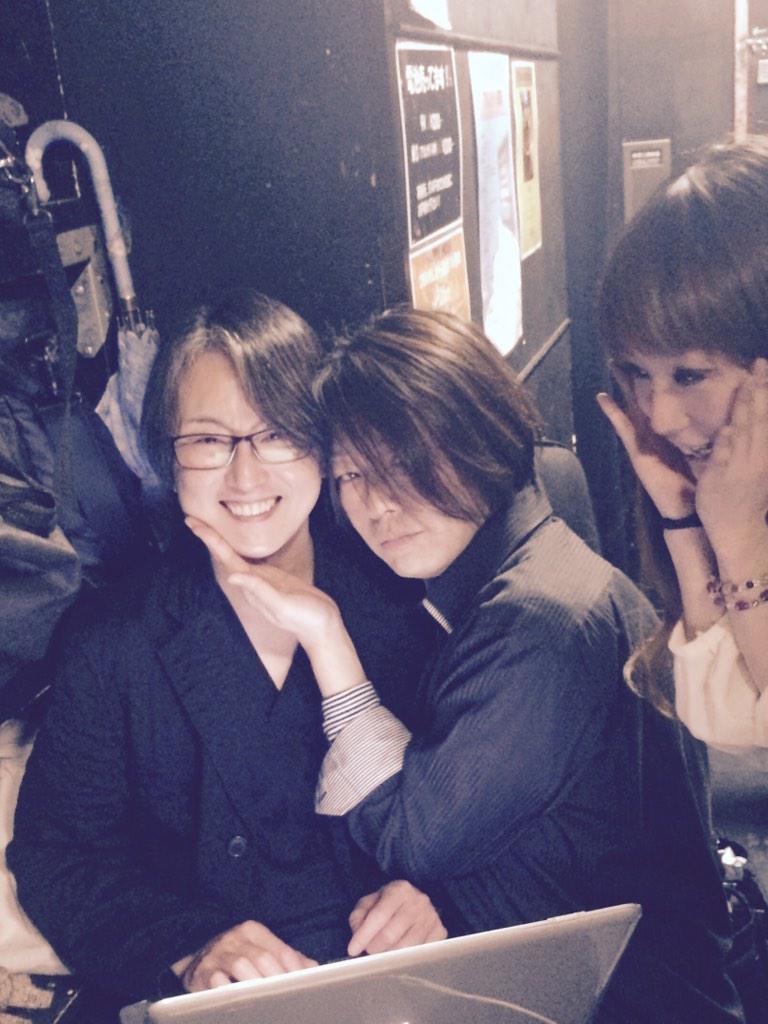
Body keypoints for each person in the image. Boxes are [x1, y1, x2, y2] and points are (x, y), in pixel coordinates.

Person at [190, 306, 744, 1023]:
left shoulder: (539, 617)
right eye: (353, 474)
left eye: (406, 463)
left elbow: (409, 838)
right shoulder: (509, 575)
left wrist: (327, 639)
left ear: (481, 436)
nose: (379, 504)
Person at [7, 290, 446, 1010]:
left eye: (278, 434)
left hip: (390, 988)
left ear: (322, 445)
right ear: (169, 455)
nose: (246, 477)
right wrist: (191, 947)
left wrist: (429, 897)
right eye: (209, 441)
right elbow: (57, 856)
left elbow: (468, 810)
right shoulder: (114, 639)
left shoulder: (399, 599)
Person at [596, 139, 768, 751]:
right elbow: (725, 714)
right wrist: (684, 519)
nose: (659, 416)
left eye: (689, 374)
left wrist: (741, 540)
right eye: (637, 373)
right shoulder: (732, 491)